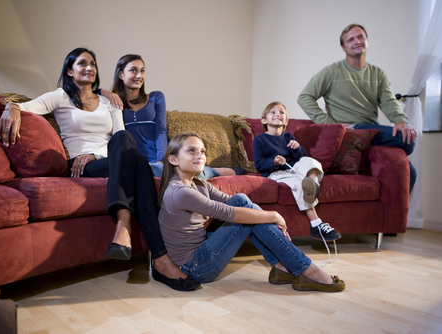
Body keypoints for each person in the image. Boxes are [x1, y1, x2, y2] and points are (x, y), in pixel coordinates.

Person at [0, 47, 200, 291]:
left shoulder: (109, 101)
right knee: (139, 166)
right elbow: (28, 106)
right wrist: (12, 108)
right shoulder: (60, 96)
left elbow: (120, 139)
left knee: (129, 146)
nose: (89, 68)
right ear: (70, 71)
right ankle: (159, 257)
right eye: (82, 64)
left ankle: (131, 235)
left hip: (105, 159)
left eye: (92, 64)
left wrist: (96, 153)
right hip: (81, 165)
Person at [157, 132, 346, 292]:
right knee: (245, 214)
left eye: (202, 151)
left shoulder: (198, 183)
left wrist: (262, 215)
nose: (200, 155)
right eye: (191, 151)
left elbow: (235, 203)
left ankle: (282, 267)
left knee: (241, 200)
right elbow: (228, 213)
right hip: (195, 267)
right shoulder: (180, 192)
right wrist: (274, 216)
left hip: (202, 250)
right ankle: (305, 269)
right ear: (173, 159)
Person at [297, 23, 417, 193]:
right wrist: (331, 124)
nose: (357, 41)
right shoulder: (331, 72)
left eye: (360, 37)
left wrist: (401, 120)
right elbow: (304, 97)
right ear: (343, 47)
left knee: (410, 172)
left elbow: (389, 101)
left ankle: (392, 220)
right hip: (349, 131)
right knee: (409, 142)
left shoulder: (378, 74)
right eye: (350, 39)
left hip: (369, 131)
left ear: (366, 40)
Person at [99, 54, 243, 179]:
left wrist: (161, 160)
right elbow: (86, 92)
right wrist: (104, 92)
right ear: (121, 74)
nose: (139, 75)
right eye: (133, 70)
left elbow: (161, 131)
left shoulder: (156, 97)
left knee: (179, 173)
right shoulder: (112, 103)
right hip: (133, 160)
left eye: (142, 71)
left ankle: (214, 171)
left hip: (158, 158)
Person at [253, 102, 341, 242]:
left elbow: (302, 159)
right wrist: (274, 162)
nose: (278, 114)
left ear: (286, 121)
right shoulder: (260, 139)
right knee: (298, 184)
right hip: (277, 173)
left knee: (310, 161)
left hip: (293, 169)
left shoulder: (289, 137)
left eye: (282, 112)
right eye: (273, 112)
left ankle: (312, 184)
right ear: (264, 120)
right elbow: (259, 165)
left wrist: (297, 148)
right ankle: (316, 224)